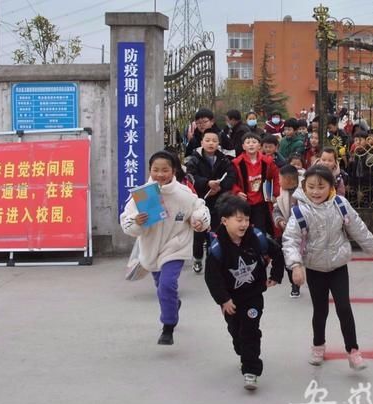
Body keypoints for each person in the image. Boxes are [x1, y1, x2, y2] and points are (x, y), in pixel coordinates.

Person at [282, 165, 373, 370]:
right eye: (311, 186)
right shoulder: (300, 211)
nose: (316, 191)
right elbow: (290, 240)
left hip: (338, 266)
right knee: (320, 311)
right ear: (304, 186)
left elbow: (357, 226)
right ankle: (318, 345)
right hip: (315, 268)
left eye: (321, 187)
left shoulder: (340, 204)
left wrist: (372, 246)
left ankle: (353, 351)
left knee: (344, 308)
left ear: (330, 187)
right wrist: (295, 266)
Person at [121, 151, 210, 346]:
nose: (160, 174)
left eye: (165, 170)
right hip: (151, 249)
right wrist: (136, 221)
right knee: (163, 288)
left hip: (175, 246)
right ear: (150, 170)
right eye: (156, 170)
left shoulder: (184, 194)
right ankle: (173, 304)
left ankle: (168, 326)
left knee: (167, 285)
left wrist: (198, 221)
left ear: (174, 170)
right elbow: (127, 221)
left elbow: (200, 209)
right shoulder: (143, 194)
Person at [204, 194, 284, 390]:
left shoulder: (257, 237)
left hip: (253, 295)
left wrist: (276, 274)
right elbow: (212, 278)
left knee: (250, 331)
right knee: (236, 331)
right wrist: (223, 300)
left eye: (247, 219)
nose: (244, 224)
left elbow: (277, 252)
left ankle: (251, 370)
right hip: (230, 298)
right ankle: (242, 349)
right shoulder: (216, 248)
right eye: (239, 220)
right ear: (224, 221)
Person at [185, 129, 236, 273]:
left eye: (214, 141)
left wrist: (220, 188)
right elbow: (191, 177)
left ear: (218, 143)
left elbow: (231, 176)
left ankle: (213, 259)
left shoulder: (224, 159)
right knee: (199, 231)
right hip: (200, 201)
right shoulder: (194, 159)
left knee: (215, 232)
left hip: (218, 201)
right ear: (201, 142)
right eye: (207, 140)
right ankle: (197, 258)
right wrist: (207, 183)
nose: (211, 143)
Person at [231, 132, 280, 235]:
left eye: (254, 142)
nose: (251, 144)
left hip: (260, 202)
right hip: (244, 202)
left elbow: (276, 176)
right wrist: (237, 192)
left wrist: (275, 194)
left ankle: (260, 249)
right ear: (243, 146)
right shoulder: (237, 163)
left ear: (259, 146)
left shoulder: (267, 162)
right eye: (248, 142)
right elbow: (231, 181)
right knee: (243, 228)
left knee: (259, 229)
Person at [272, 165, 302, 298]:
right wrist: (279, 221)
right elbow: (276, 209)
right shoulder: (282, 193)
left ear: (290, 180)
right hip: (288, 233)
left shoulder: (304, 191)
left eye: (280, 179)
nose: (278, 182)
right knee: (289, 258)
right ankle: (294, 283)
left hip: (305, 232)